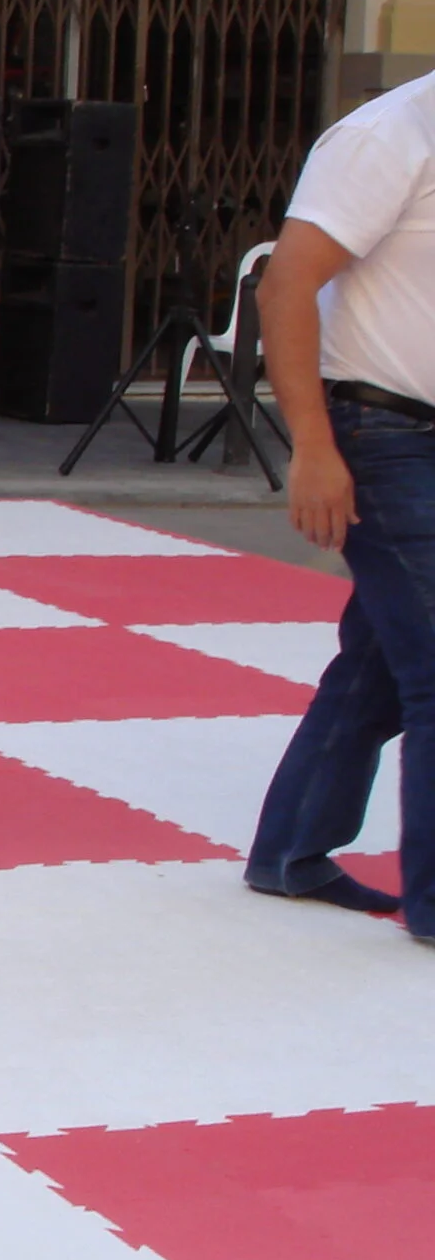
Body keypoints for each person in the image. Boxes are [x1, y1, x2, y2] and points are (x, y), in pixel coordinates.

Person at [244, 67, 435, 946]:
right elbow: (286, 285)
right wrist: (312, 446)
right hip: (380, 428)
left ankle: (291, 850)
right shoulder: (388, 135)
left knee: (383, 665)